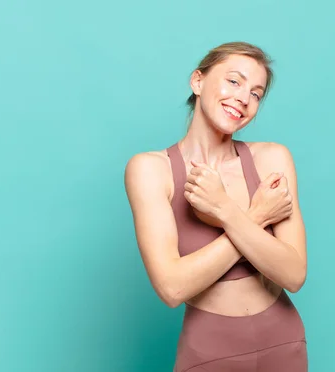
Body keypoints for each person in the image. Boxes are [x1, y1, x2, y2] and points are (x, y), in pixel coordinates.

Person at [124, 41, 308, 371]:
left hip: (283, 341)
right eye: (234, 81)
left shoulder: (272, 158)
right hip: (210, 349)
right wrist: (256, 216)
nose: (243, 98)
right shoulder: (152, 169)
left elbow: (293, 275)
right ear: (197, 82)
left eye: (256, 93)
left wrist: (224, 210)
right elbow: (172, 287)